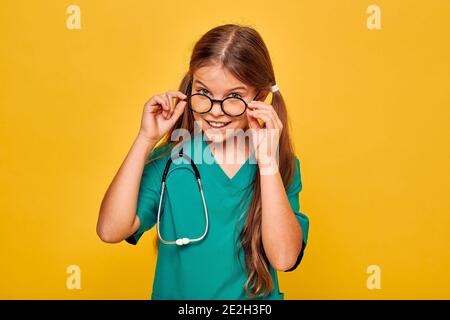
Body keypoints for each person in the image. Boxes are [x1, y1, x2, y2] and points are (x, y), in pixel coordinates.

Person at [97, 23, 309, 300]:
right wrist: (145, 139)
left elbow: (283, 258)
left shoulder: (279, 165)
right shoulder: (171, 161)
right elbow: (110, 230)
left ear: (260, 97)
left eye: (234, 97)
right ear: (191, 86)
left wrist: (267, 160)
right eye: (205, 93)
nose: (216, 111)